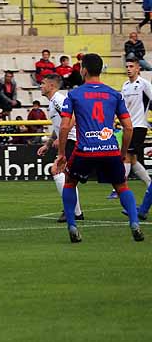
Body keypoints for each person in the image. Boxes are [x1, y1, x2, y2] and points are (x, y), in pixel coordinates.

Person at [58, 54, 143, 243]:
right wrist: (122, 152)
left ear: (84, 70)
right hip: (110, 149)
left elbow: (64, 126)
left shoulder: (74, 94)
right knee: (121, 186)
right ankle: (134, 222)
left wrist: (62, 154)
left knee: (70, 182)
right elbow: (129, 127)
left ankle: (72, 225)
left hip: (84, 150)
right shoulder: (114, 94)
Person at [121, 61, 152, 191]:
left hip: (139, 125)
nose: (129, 69)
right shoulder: (125, 85)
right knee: (133, 159)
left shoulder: (144, 84)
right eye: (127, 67)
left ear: (138, 68)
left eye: (131, 66)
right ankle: (150, 185)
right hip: (127, 126)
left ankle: (119, 187)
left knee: (127, 155)